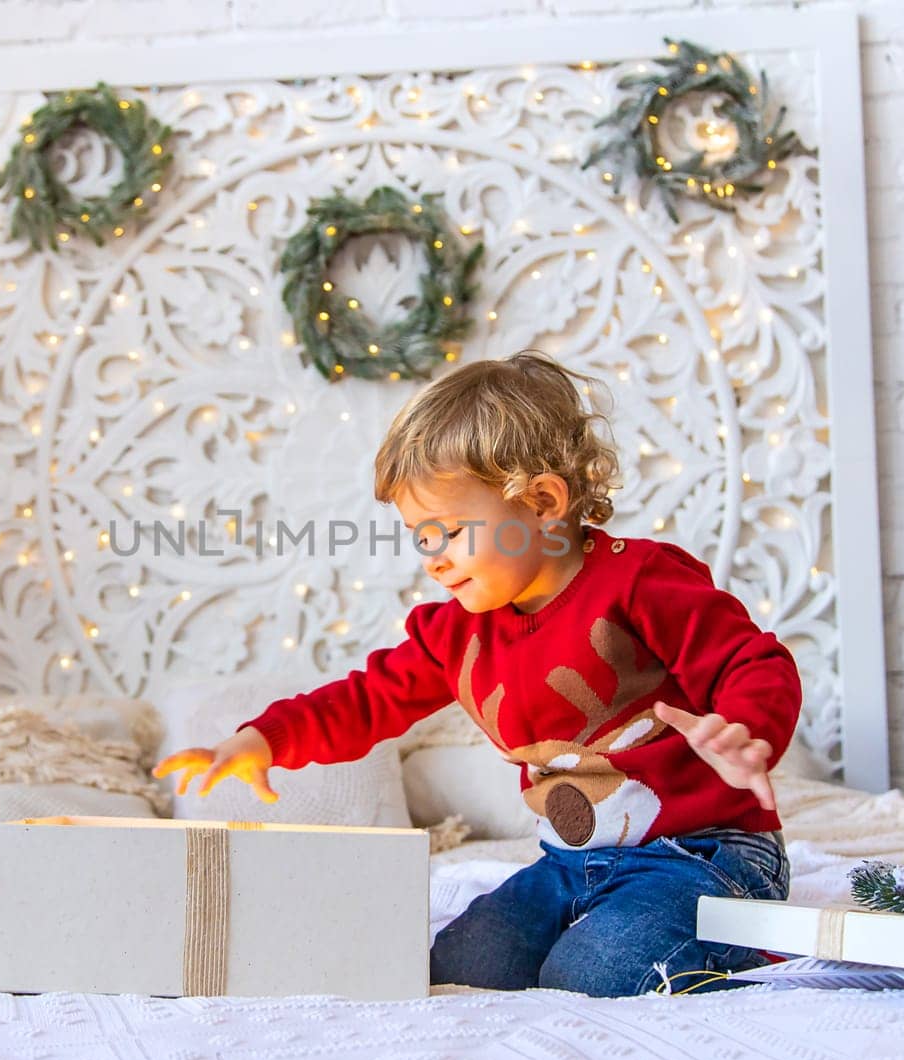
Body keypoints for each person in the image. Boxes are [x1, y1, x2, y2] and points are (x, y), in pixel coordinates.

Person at [153, 350, 801, 997]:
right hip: (569, 864)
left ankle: (734, 942)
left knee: (589, 977)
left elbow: (753, 659)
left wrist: (746, 728)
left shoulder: (640, 581)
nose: (432, 557)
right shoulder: (455, 633)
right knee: (463, 965)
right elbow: (365, 699)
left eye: (451, 530)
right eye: (420, 536)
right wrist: (265, 738)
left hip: (702, 854)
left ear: (544, 502)